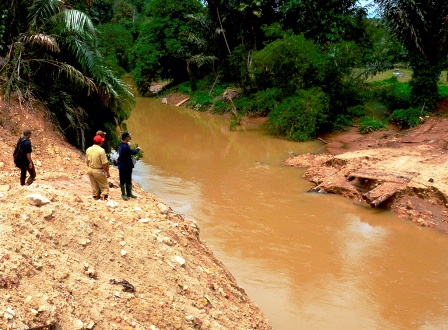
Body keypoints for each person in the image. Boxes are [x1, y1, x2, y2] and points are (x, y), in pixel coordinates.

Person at [86, 135, 110, 200]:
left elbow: (87, 162)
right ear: (100, 142)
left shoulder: (88, 149)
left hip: (90, 170)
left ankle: (96, 200)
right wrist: (107, 172)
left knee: (94, 186)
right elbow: (105, 163)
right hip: (99, 170)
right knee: (104, 186)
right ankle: (103, 201)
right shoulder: (101, 151)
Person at [117, 132, 141, 200]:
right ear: (126, 138)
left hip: (127, 165)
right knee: (122, 180)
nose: (129, 138)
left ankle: (129, 193)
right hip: (123, 166)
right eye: (129, 137)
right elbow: (132, 152)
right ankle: (123, 194)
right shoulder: (124, 147)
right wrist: (138, 149)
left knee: (128, 179)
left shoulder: (123, 145)